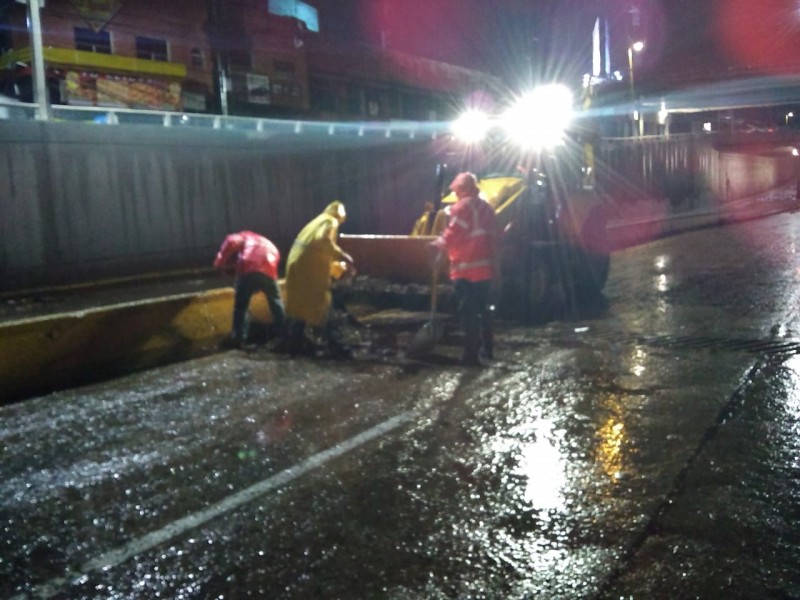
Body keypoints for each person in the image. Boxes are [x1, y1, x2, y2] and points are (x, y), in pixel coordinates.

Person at [431, 172, 497, 366]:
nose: (456, 194)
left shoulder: (460, 207)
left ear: (461, 189)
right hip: (485, 268)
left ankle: (471, 355)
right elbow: (494, 238)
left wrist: (438, 244)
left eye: (456, 190)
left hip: (466, 270)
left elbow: (454, 232)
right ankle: (488, 348)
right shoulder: (487, 208)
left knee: (468, 312)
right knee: (483, 310)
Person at [283, 201, 355, 357]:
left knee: (301, 304)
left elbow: (315, 248)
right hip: (308, 269)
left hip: (296, 266)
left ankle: (294, 340)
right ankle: (334, 344)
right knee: (323, 302)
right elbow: (323, 240)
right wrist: (343, 255)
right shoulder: (330, 221)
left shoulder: (315, 221)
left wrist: (334, 266)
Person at [214, 230, 285, 349]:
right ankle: (283, 335)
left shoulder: (242, 236)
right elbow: (276, 256)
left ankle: (239, 338)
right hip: (270, 266)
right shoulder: (265, 241)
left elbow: (230, 242)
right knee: (276, 302)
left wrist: (219, 263)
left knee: (241, 306)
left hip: (248, 265)